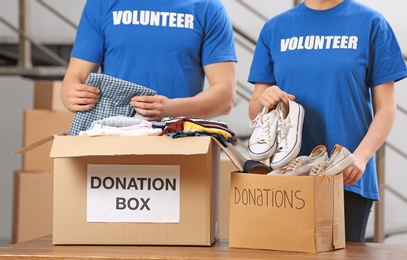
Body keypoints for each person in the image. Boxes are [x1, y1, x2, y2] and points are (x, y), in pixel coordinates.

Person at [248, 0, 407, 242]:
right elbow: (254, 108)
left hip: (345, 174)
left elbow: (386, 109)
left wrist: (361, 158)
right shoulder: (275, 28)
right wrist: (265, 99)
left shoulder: (372, 24)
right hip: (286, 174)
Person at [61, 0, 237, 121]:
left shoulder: (208, 8)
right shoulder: (102, 4)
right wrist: (72, 96)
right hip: (113, 136)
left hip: (180, 139)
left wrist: (169, 109)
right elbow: (75, 76)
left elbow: (224, 97)